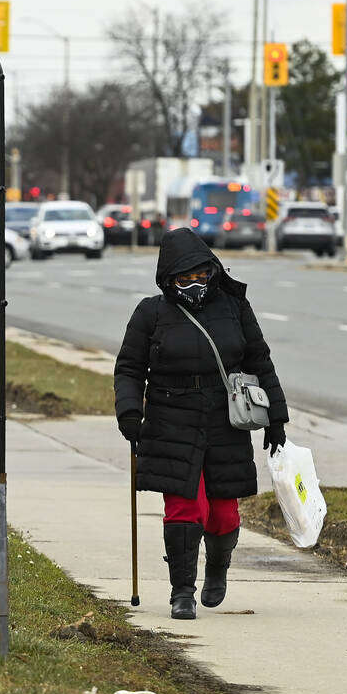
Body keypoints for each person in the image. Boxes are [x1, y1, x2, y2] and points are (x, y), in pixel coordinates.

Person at [114, 228, 288, 620]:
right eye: (183, 278)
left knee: (223, 512)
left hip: (225, 419)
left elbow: (259, 361)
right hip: (170, 417)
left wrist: (277, 418)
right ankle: (181, 592)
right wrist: (129, 413)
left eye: (200, 276)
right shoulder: (150, 313)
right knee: (184, 506)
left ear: (211, 272)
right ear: (168, 280)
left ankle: (217, 571)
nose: (194, 284)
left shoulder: (234, 306)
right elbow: (128, 368)